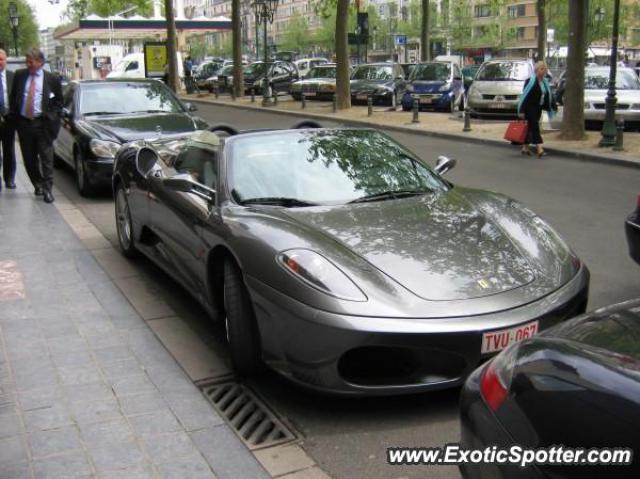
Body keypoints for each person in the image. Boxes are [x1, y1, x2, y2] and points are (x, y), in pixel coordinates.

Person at [9, 48, 63, 203]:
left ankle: (48, 189)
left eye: (31, 62)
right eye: (27, 61)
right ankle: (37, 184)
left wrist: (51, 116)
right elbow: (14, 97)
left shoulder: (52, 79)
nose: (28, 64)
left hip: (43, 124)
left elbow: (59, 102)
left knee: (46, 157)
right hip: (24, 123)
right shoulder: (20, 75)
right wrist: (14, 117)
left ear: (40, 62)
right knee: (29, 159)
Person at [517, 61, 557, 158]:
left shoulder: (544, 82)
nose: (544, 71)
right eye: (542, 69)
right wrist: (521, 110)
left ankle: (525, 147)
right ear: (536, 70)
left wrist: (553, 106)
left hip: (538, 108)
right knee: (535, 127)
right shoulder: (530, 81)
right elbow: (524, 96)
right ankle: (540, 148)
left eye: (545, 69)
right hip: (529, 108)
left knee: (530, 128)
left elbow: (548, 95)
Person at [0, 48, 16, 190]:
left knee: (9, 150)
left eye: (1, 59)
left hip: (9, 119)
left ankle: (9, 178)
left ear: (6, 60)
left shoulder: (12, 77)